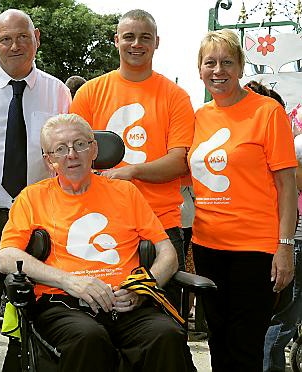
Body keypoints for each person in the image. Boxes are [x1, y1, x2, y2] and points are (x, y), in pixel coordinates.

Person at [0, 113, 194, 372]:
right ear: (49, 161)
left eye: (80, 144)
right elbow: (6, 257)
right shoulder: (32, 198)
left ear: (94, 149)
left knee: (166, 335)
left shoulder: (126, 192)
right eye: (60, 149)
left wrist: (143, 288)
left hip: (126, 301)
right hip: (63, 303)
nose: (72, 154)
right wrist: (70, 281)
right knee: (88, 338)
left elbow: (167, 252)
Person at [0, 8, 71, 367]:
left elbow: (66, 158)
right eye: (5, 39)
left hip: (41, 222)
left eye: (23, 36)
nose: (15, 45)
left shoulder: (58, 92)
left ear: (36, 38)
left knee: (37, 313)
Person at [69, 9, 195, 308]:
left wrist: (131, 171)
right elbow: (71, 156)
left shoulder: (175, 96)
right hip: (99, 224)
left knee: (164, 325)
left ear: (156, 42)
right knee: (101, 320)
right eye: (129, 36)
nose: (136, 44)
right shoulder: (89, 93)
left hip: (160, 226)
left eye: (144, 37)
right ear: (116, 40)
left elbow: (179, 161)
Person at [188, 29, 297, 371]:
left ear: (240, 67)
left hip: (256, 249)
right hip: (208, 245)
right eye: (210, 63)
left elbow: (287, 185)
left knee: (246, 344)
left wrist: (284, 245)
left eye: (227, 62)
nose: (218, 70)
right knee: (217, 341)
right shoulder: (199, 116)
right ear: (200, 69)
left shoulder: (266, 112)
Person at [261, 91, 302, 371]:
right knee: (282, 322)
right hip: (295, 240)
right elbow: (292, 187)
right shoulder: (295, 144)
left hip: (290, 239)